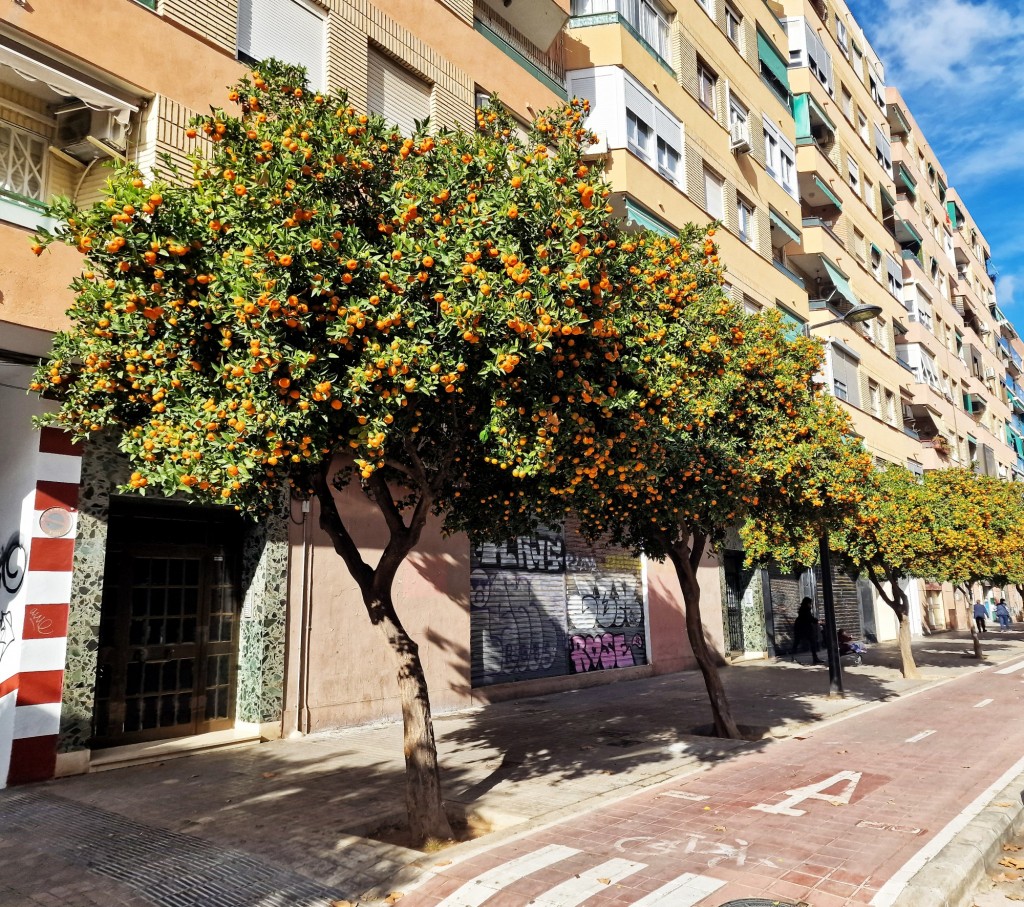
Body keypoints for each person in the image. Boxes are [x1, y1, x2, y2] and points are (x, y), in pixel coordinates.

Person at [791, 597, 823, 664]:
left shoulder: (802, 609)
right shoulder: (806, 610)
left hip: (800, 628)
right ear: (807, 603)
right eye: (810, 603)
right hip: (805, 628)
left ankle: (793, 657)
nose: (810, 605)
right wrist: (817, 621)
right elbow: (809, 618)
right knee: (812, 642)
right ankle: (815, 658)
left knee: (796, 642)